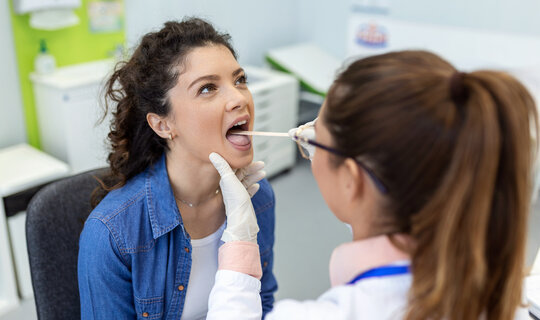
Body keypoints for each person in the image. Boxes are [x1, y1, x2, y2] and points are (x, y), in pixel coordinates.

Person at [206, 50, 537, 320]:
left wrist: (239, 249)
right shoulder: (507, 297)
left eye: (318, 138)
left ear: (352, 179)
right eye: (207, 88)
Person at [77, 18, 278, 319]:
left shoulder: (257, 198)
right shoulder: (112, 234)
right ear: (163, 124)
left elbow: (263, 303)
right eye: (208, 88)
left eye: (239, 80)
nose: (239, 98)